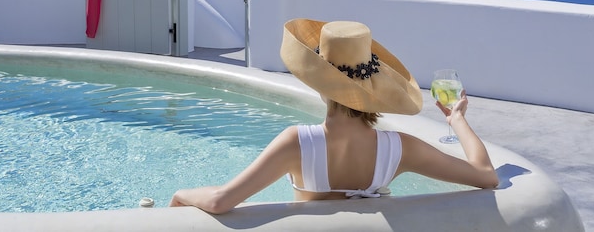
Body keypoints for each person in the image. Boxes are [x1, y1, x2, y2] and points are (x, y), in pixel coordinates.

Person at [169, 18, 498, 213]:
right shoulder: (400, 148)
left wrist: (181, 195)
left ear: (318, 82)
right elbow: (486, 177)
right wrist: (457, 120)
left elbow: (220, 202)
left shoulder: (296, 143)